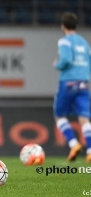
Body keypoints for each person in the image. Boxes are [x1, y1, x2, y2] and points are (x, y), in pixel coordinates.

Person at [53, 12, 91, 163]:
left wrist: (57, 64)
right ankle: (90, 150)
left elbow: (66, 60)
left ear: (63, 26)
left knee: (59, 114)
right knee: (84, 117)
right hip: (83, 82)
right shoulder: (84, 43)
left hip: (68, 82)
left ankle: (73, 144)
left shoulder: (64, 42)